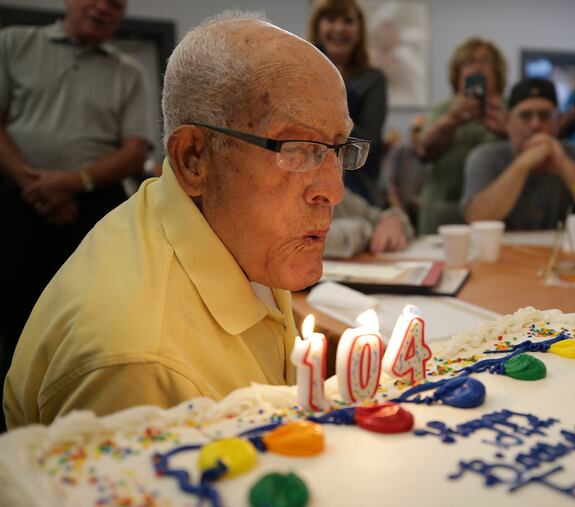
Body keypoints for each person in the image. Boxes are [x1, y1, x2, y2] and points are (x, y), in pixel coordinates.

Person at [3, 11, 368, 429]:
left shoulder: (231, 234)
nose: (334, 191)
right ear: (193, 159)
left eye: (337, 146)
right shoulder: (145, 366)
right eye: (297, 149)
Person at [0, 0, 149, 431]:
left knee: (91, 318)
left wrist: (73, 182)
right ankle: (16, 428)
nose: (104, 7)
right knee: (16, 313)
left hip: (93, 210)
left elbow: (134, 150)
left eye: (117, 3)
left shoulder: (128, 72)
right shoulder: (14, 44)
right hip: (17, 203)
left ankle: (81, 423)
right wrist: (35, 185)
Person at [461, 78, 575, 230]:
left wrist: (565, 166)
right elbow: (476, 218)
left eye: (544, 116)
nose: (535, 124)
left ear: (558, 121)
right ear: (507, 121)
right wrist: (522, 165)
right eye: (525, 116)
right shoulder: (485, 157)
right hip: (501, 250)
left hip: (560, 250)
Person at [416, 37, 509, 234]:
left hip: (494, 210)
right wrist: (452, 119)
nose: (477, 68)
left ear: (497, 71)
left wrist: (507, 129)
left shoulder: (510, 110)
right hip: (442, 207)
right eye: (468, 62)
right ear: (457, 74)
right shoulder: (444, 109)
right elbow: (423, 148)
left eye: (485, 61)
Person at [308, 0, 387, 206]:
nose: (339, 28)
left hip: (357, 183)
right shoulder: (302, 74)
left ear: (359, 31)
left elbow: (368, 142)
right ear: (318, 26)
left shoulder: (373, 79)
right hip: (307, 176)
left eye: (348, 21)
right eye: (331, 19)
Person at [325, 188, 413, 259]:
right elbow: (325, 238)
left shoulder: (342, 197)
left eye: (339, 166)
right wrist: (368, 232)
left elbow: (381, 217)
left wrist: (394, 220)